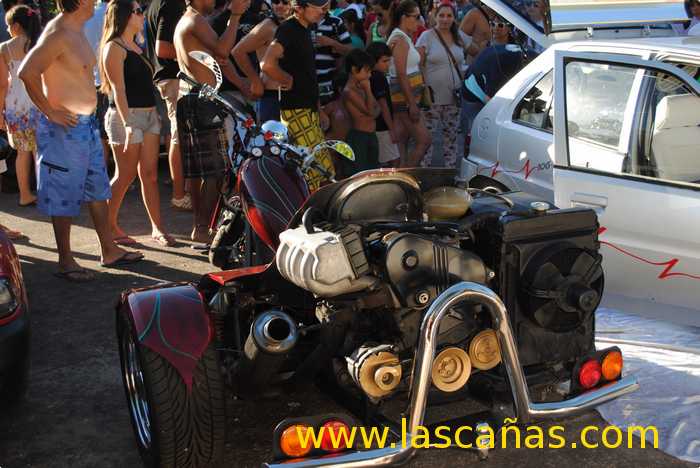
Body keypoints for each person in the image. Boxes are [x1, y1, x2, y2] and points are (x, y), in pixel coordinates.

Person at [19, 0, 144, 282]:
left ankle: (109, 250)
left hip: (85, 126)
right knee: (62, 195)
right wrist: (50, 111)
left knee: (98, 189)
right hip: (64, 130)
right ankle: (65, 260)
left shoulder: (76, 29)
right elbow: (27, 72)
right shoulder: (59, 33)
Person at [174, 0, 250, 244]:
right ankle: (201, 227)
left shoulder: (188, 19)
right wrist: (235, 16)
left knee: (202, 171)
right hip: (202, 101)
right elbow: (223, 51)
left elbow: (217, 56)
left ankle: (200, 226)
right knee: (215, 171)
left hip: (195, 98)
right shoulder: (195, 20)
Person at [100, 0, 175, 247]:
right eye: (138, 11)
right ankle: (107, 227)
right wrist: (128, 123)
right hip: (127, 117)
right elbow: (118, 90)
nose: (143, 14)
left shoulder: (137, 44)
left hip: (149, 116)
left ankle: (157, 228)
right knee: (125, 175)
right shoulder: (113, 47)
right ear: (124, 15)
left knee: (150, 175)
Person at [261, 0, 336, 191]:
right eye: (318, 6)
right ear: (299, 8)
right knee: (309, 172)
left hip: (309, 110)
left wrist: (319, 110)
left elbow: (309, 74)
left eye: (325, 5)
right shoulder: (288, 29)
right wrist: (285, 79)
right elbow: (267, 64)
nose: (324, 10)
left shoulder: (306, 29)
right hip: (295, 112)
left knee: (323, 171)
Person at [416, 2, 474, 168]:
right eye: (441, 15)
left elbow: (477, 51)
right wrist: (422, 88)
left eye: (449, 16)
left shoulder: (459, 36)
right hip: (431, 98)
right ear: (435, 16)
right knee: (427, 138)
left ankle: (450, 172)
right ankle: (424, 173)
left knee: (452, 138)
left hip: (453, 98)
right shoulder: (426, 36)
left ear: (454, 18)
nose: (445, 19)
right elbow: (418, 64)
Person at [144, 0, 190, 210]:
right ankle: (179, 195)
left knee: (177, 134)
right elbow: (162, 48)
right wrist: (195, 54)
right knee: (178, 136)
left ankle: (183, 191)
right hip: (173, 77)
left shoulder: (157, 3)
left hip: (166, 76)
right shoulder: (172, 3)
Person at [0, 4, 40, 206]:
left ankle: (25, 194)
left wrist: (0, 111)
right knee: (40, 152)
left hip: (15, 107)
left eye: (8, 25)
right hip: (39, 103)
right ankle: (45, 193)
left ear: (16, 25)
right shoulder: (39, 43)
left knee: (22, 153)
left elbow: (2, 84)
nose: (7, 29)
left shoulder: (4, 48)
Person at [232, 0, 292, 122]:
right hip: (273, 97)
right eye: (276, 1)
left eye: (285, 2)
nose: (279, 5)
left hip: (296, 97)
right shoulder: (268, 26)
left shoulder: (297, 26)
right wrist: (255, 81)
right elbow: (237, 51)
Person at [387, 0, 430, 167]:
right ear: (404, 17)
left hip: (404, 100)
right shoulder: (400, 39)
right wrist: (412, 104)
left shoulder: (403, 37)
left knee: (401, 145)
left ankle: (402, 176)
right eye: (417, 17)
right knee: (424, 141)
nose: (420, 21)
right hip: (404, 101)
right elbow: (401, 74)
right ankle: (406, 176)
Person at [342, 48, 378, 173]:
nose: (370, 75)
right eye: (367, 71)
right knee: (360, 174)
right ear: (354, 69)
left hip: (371, 135)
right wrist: (368, 89)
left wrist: (371, 112)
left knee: (373, 172)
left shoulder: (360, 87)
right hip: (359, 138)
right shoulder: (349, 91)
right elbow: (371, 111)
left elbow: (377, 108)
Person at [84, 0, 111, 164]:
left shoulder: (87, 16)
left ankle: (103, 170)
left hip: (94, 80)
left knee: (100, 131)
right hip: (114, 79)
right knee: (117, 130)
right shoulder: (116, 11)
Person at [366, 41, 399, 167]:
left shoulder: (371, 76)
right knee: (394, 161)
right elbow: (383, 105)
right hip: (382, 127)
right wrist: (392, 129)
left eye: (388, 60)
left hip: (377, 126)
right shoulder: (378, 77)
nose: (388, 64)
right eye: (384, 61)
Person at [314, 2, 352, 106]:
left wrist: (331, 43)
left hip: (328, 84)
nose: (325, 4)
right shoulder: (303, 22)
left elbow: (349, 50)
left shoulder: (336, 22)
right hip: (304, 86)